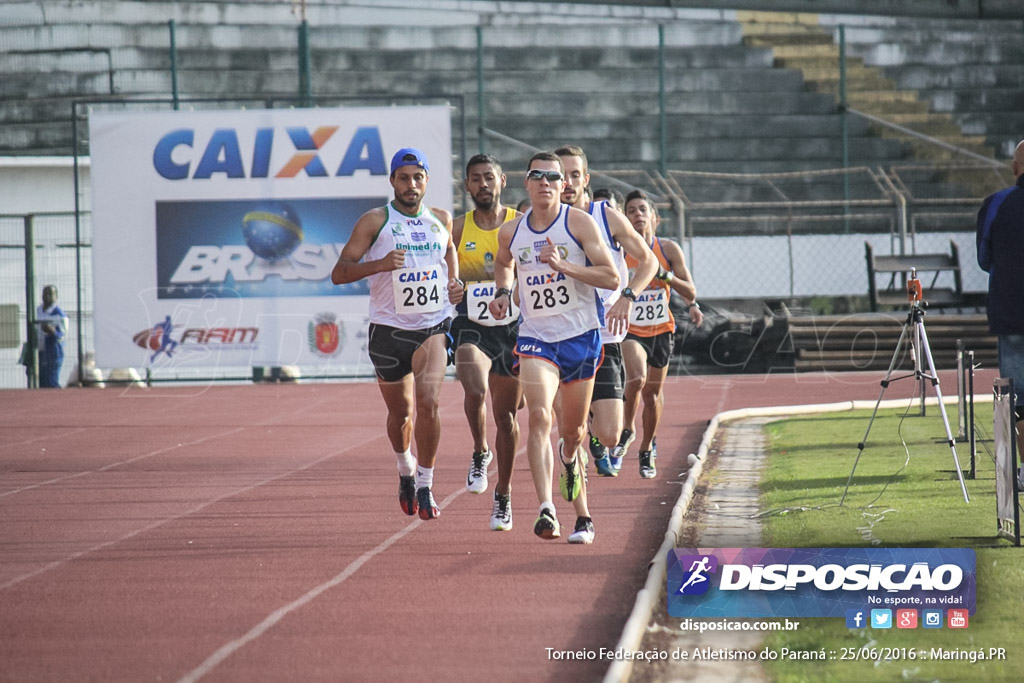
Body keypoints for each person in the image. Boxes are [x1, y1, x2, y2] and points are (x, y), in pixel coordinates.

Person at [489, 151, 621, 544]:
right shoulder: (511, 232)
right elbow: (502, 262)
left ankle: (569, 464)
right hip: (536, 338)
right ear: (525, 183)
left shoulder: (577, 222)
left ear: (564, 185)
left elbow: (611, 277)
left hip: (580, 337)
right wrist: (502, 292)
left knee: (574, 431)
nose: (545, 183)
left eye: (552, 177)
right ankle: (546, 507)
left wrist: (565, 267)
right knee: (540, 417)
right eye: (537, 176)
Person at [331, 148, 464, 520]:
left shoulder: (441, 218)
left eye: (418, 177)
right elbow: (339, 272)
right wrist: (380, 264)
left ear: (426, 181)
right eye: (404, 178)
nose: (411, 185)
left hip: (432, 327)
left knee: (429, 403)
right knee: (401, 415)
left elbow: (449, 251)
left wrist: (454, 283)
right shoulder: (375, 221)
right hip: (388, 331)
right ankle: (405, 468)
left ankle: (425, 482)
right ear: (392, 181)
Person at [555, 145, 658, 477]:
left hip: (606, 336)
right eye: (561, 176)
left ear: (586, 178)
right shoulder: (547, 221)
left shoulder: (606, 216)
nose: (568, 183)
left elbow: (649, 261)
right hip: (563, 335)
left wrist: (628, 296)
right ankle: (571, 447)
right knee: (568, 428)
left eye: (574, 175)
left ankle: (588, 427)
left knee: (610, 435)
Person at [451, 154, 523, 530]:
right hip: (471, 324)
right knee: (474, 388)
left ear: (502, 181)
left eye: (489, 178)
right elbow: (437, 272)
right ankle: (480, 449)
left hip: (514, 328)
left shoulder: (520, 224)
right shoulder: (458, 229)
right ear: (467, 186)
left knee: (508, 416)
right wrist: (448, 287)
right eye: (475, 179)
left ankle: (504, 494)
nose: (483, 184)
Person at [620, 189, 703, 478]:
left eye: (643, 209)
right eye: (631, 210)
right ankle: (628, 428)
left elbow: (690, 290)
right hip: (631, 330)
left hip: (662, 331)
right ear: (624, 218)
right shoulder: (619, 251)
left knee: (653, 395)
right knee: (636, 378)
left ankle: (646, 448)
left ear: (655, 218)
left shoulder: (667, 250)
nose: (637, 215)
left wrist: (665, 276)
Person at [977, 139, 1024, 488]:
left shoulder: (996, 204)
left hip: (1012, 312)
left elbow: (983, 259)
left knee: (1019, 397)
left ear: (1015, 167)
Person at [35, 284, 67, 388]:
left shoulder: (59, 313)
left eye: (51, 294)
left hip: (53, 352)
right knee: (41, 382)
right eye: (45, 293)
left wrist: (52, 331)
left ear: (56, 297)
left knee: (51, 382)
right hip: (39, 351)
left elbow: (62, 335)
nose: (47, 296)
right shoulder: (38, 311)